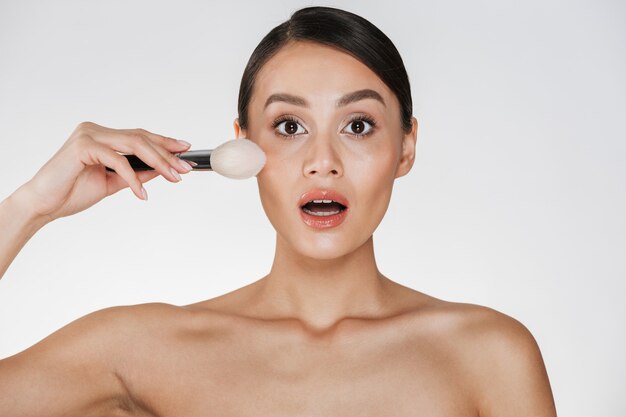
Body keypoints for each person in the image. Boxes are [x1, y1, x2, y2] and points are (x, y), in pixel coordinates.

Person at [0, 6, 557, 416]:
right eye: (289, 127)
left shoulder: (489, 354)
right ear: (242, 148)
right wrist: (30, 206)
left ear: (406, 147)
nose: (322, 162)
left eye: (358, 126)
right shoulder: (138, 349)